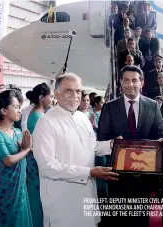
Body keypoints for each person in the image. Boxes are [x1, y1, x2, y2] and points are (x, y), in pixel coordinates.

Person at [32, 73, 119, 227]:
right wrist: (89, 172)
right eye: (68, 91)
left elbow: (92, 147)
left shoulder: (82, 118)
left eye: (78, 91)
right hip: (62, 201)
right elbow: (47, 167)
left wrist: (112, 145)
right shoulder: (46, 123)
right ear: (56, 93)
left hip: (86, 197)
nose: (75, 96)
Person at [97, 65, 163, 227]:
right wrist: (115, 142)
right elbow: (102, 138)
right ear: (120, 82)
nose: (130, 84)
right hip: (118, 176)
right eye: (126, 80)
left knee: (141, 218)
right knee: (118, 219)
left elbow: (160, 132)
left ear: (141, 82)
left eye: (135, 80)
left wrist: (159, 144)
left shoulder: (153, 105)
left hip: (145, 175)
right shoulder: (109, 107)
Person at [0, 90, 33, 227]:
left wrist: (29, 148)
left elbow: (26, 151)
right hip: (6, 186)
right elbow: (8, 160)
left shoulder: (18, 132)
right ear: (4, 110)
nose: (19, 110)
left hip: (20, 185)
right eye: (16, 107)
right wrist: (26, 149)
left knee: (21, 217)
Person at [26, 83, 54, 227]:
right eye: (51, 96)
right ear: (42, 98)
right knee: (39, 198)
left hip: (35, 161)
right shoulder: (39, 117)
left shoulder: (38, 114)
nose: (53, 99)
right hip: (38, 162)